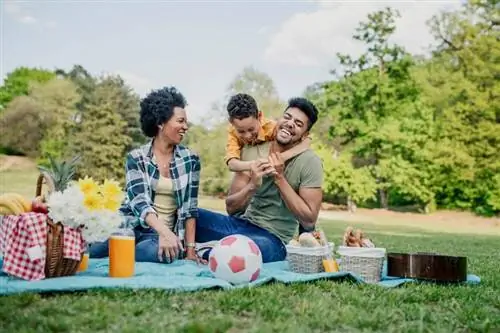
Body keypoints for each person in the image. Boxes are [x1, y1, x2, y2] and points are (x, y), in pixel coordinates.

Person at [196, 97, 323, 263]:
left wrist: (279, 178)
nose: (290, 123)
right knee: (191, 215)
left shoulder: (310, 162)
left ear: (305, 135)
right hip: (241, 225)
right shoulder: (251, 150)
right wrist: (252, 185)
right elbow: (231, 209)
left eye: (298, 124)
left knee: (251, 249)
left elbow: (309, 220)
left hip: (273, 239)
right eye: (287, 117)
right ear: (279, 119)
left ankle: (208, 251)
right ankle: (211, 249)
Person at [89, 86, 204, 264]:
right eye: (180, 121)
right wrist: (164, 231)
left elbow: (190, 208)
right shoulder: (136, 158)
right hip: (132, 225)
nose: (185, 127)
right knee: (92, 249)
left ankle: (126, 254)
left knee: (149, 253)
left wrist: (189, 251)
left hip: (158, 236)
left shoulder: (191, 159)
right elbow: (139, 202)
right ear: (160, 123)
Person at [224, 93, 310, 172]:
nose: (247, 135)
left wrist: (281, 158)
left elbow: (306, 141)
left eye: (251, 129)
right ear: (231, 122)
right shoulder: (232, 132)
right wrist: (257, 164)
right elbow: (232, 164)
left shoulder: (270, 127)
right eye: (241, 131)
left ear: (259, 116)